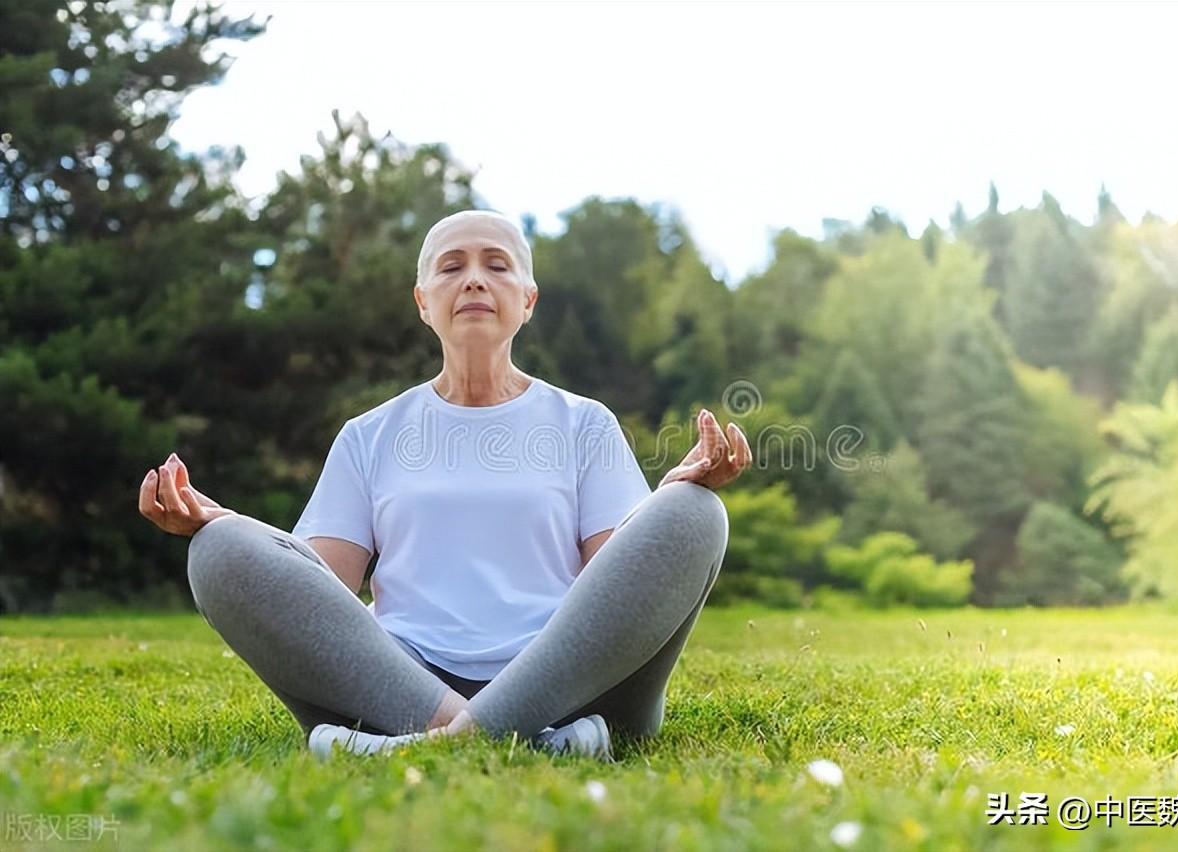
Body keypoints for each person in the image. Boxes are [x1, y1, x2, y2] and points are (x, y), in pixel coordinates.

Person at [137, 209, 751, 761]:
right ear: (423, 301)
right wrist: (229, 528)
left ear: (528, 299)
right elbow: (323, 589)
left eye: (497, 265)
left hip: (570, 687)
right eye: (452, 266)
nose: (475, 279)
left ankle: (426, 748)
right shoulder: (368, 435)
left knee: (696, 512)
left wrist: (664, 500)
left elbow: (616, 590)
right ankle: (520, 743)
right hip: (400, 685)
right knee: (218, 549)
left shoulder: (584, 424)